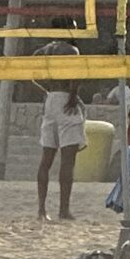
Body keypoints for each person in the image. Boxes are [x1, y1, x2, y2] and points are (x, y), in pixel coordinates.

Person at [36, 63, 87, 221]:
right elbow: (76, 76)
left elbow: (32, 69)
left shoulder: (48, 50)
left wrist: (47, 91)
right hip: (65, 98)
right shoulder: (71, 50)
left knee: (46, 159)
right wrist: (72, 97)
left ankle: (41, 209)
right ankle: (63, 210)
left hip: (51, 98)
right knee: (67, 161)